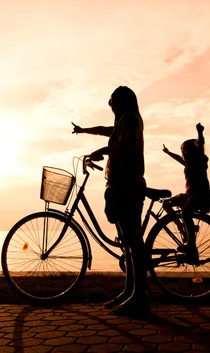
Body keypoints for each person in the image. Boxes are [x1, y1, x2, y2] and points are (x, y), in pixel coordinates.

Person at [72, 86, 149, 316]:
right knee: (126, 243)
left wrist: (101, 151)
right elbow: (106, 131)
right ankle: (129, 292)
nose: (111, 105)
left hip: (128, 185)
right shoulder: (123, 121)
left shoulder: (130, 119)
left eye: (113, 101)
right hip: (119, 185)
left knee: (133, 242)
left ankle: (139, 298)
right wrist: (85, 130)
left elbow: (122, 147)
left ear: (123, 101)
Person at [161, 123, 210, 263]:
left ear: (191, 151)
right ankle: (182, 227)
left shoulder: (200, 161)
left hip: (200, 194)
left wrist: (200, 133)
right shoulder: (188, 164)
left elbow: (201, 146)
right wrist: (168, 152)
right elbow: (178, 159)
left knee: (186, 212)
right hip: (189, 194)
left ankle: (190, 243)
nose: (182, 154)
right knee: (167, 203)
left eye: (184, 151)